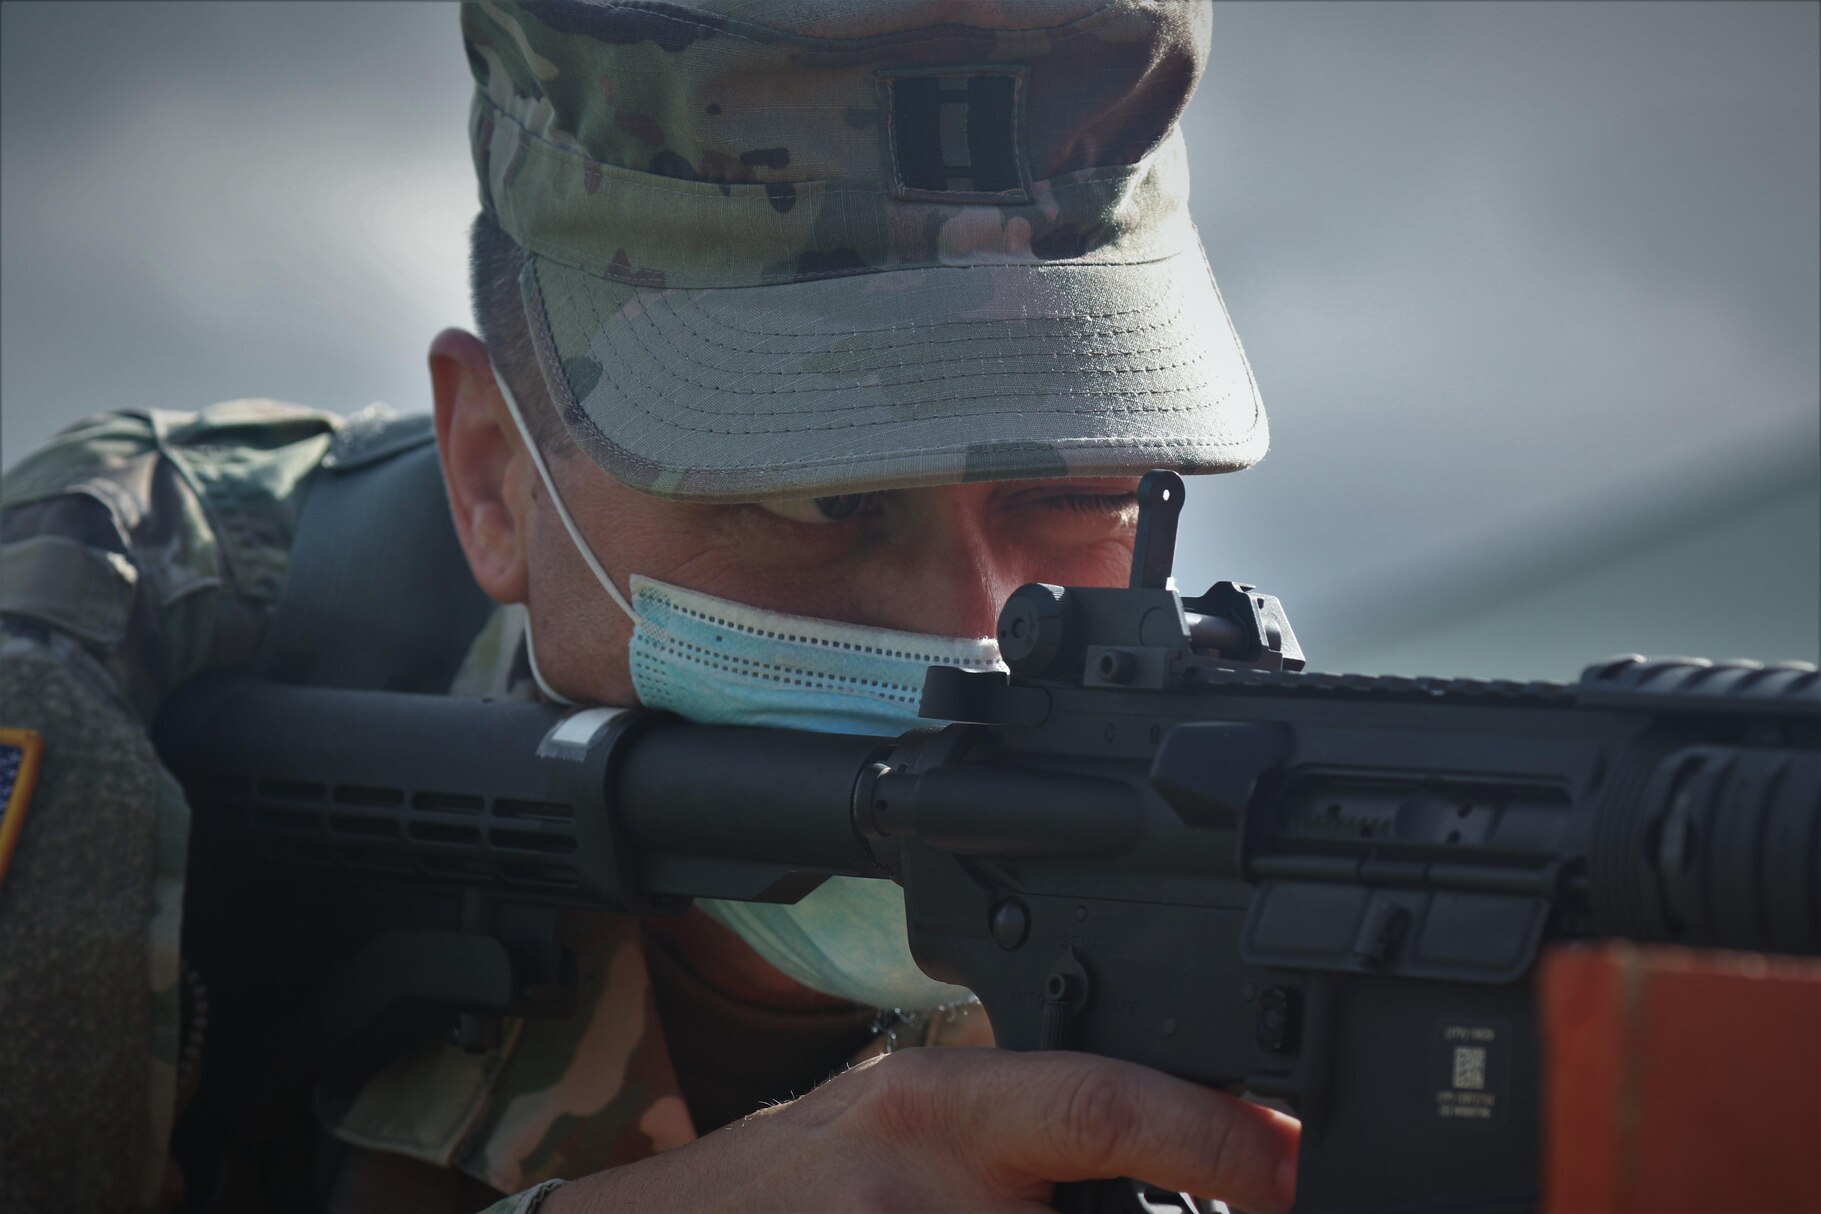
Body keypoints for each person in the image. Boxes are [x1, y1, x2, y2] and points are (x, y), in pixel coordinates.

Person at [0, 1, 1300, 1211]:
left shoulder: (1293, 850)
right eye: (821, 498)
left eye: (1076, 490)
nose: (974, 629)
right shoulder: (110, 622)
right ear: (494, 476)